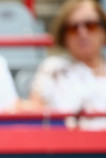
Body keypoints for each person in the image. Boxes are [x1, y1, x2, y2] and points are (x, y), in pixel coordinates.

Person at [28, 0, 106, 129]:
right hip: (64, 146)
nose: (82, 33)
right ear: (63, 35)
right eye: (73, 28)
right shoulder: (52, 69)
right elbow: (34, 115)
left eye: (90, 25)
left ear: (103, 30)